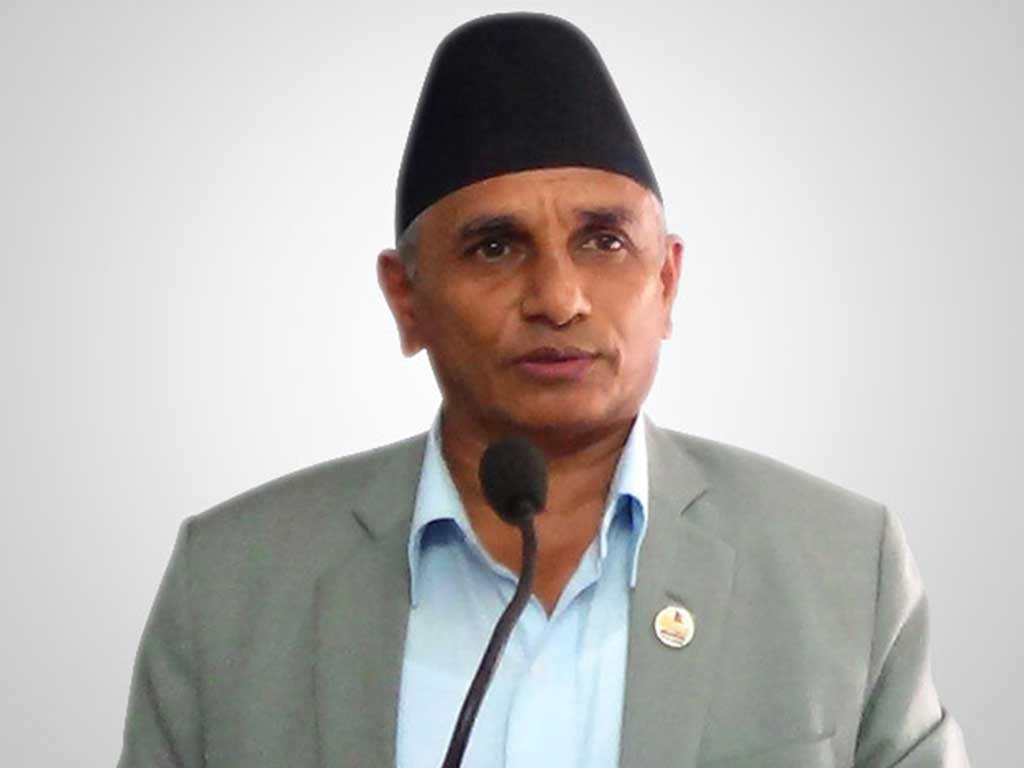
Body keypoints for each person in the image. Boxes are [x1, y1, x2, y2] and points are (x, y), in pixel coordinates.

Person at [117, 12, 970, 768]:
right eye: (495, 247)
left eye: (604, 241)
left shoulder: (839, 567)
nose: (558, 299)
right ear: (407, 301)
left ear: (667, 281)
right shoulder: (233, 582)